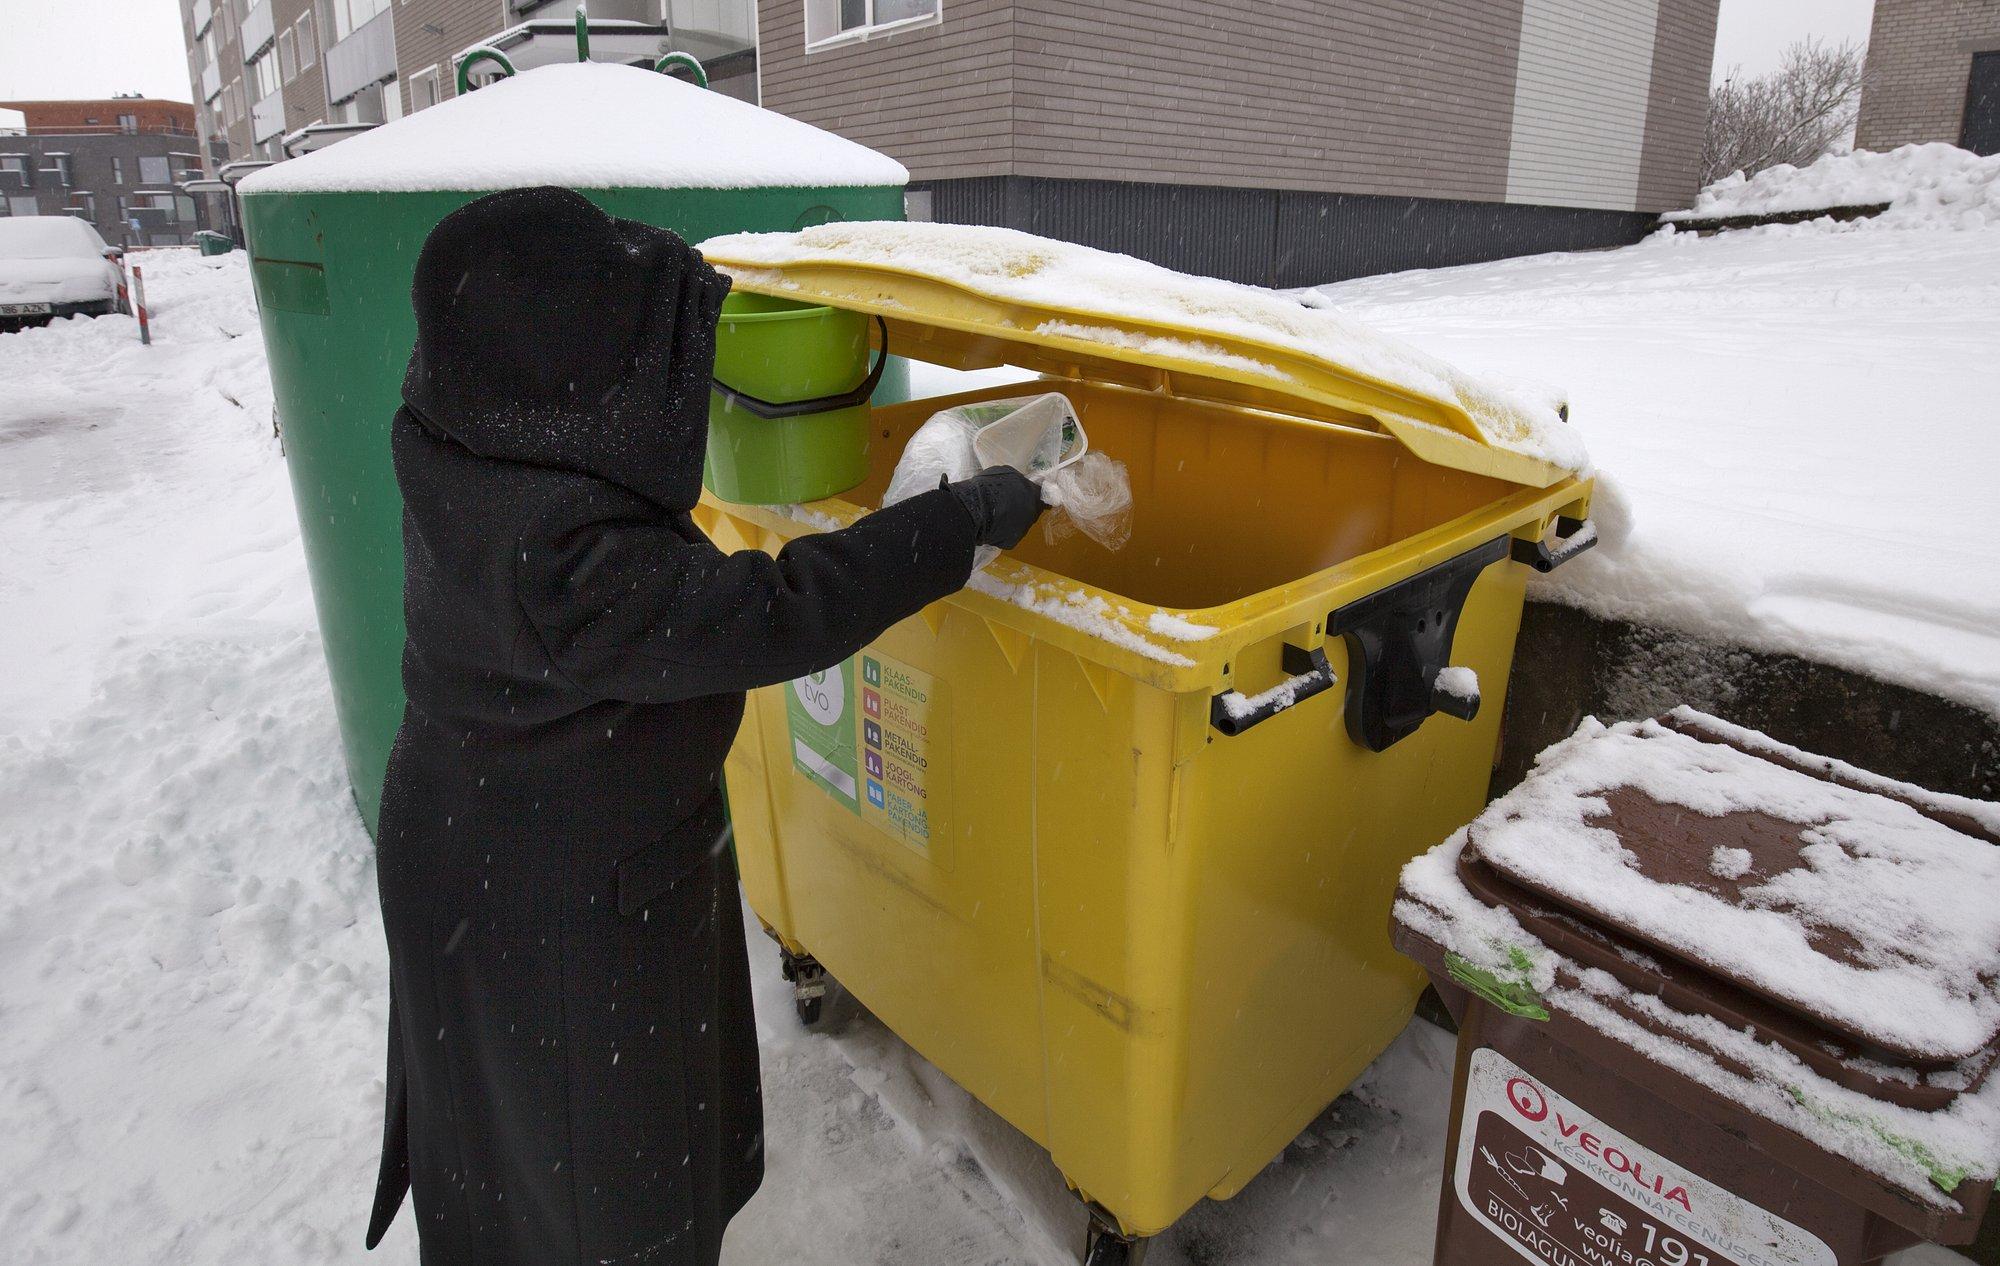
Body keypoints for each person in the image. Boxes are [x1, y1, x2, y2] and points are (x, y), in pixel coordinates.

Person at [363, 185, 1044, 1264]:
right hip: (559, 894)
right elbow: (776, 614)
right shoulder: (563, 554)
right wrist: (963, 520)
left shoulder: (459, 446)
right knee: (606, 1179)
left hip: (473, 845)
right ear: (573, 367)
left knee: (512, 1147)